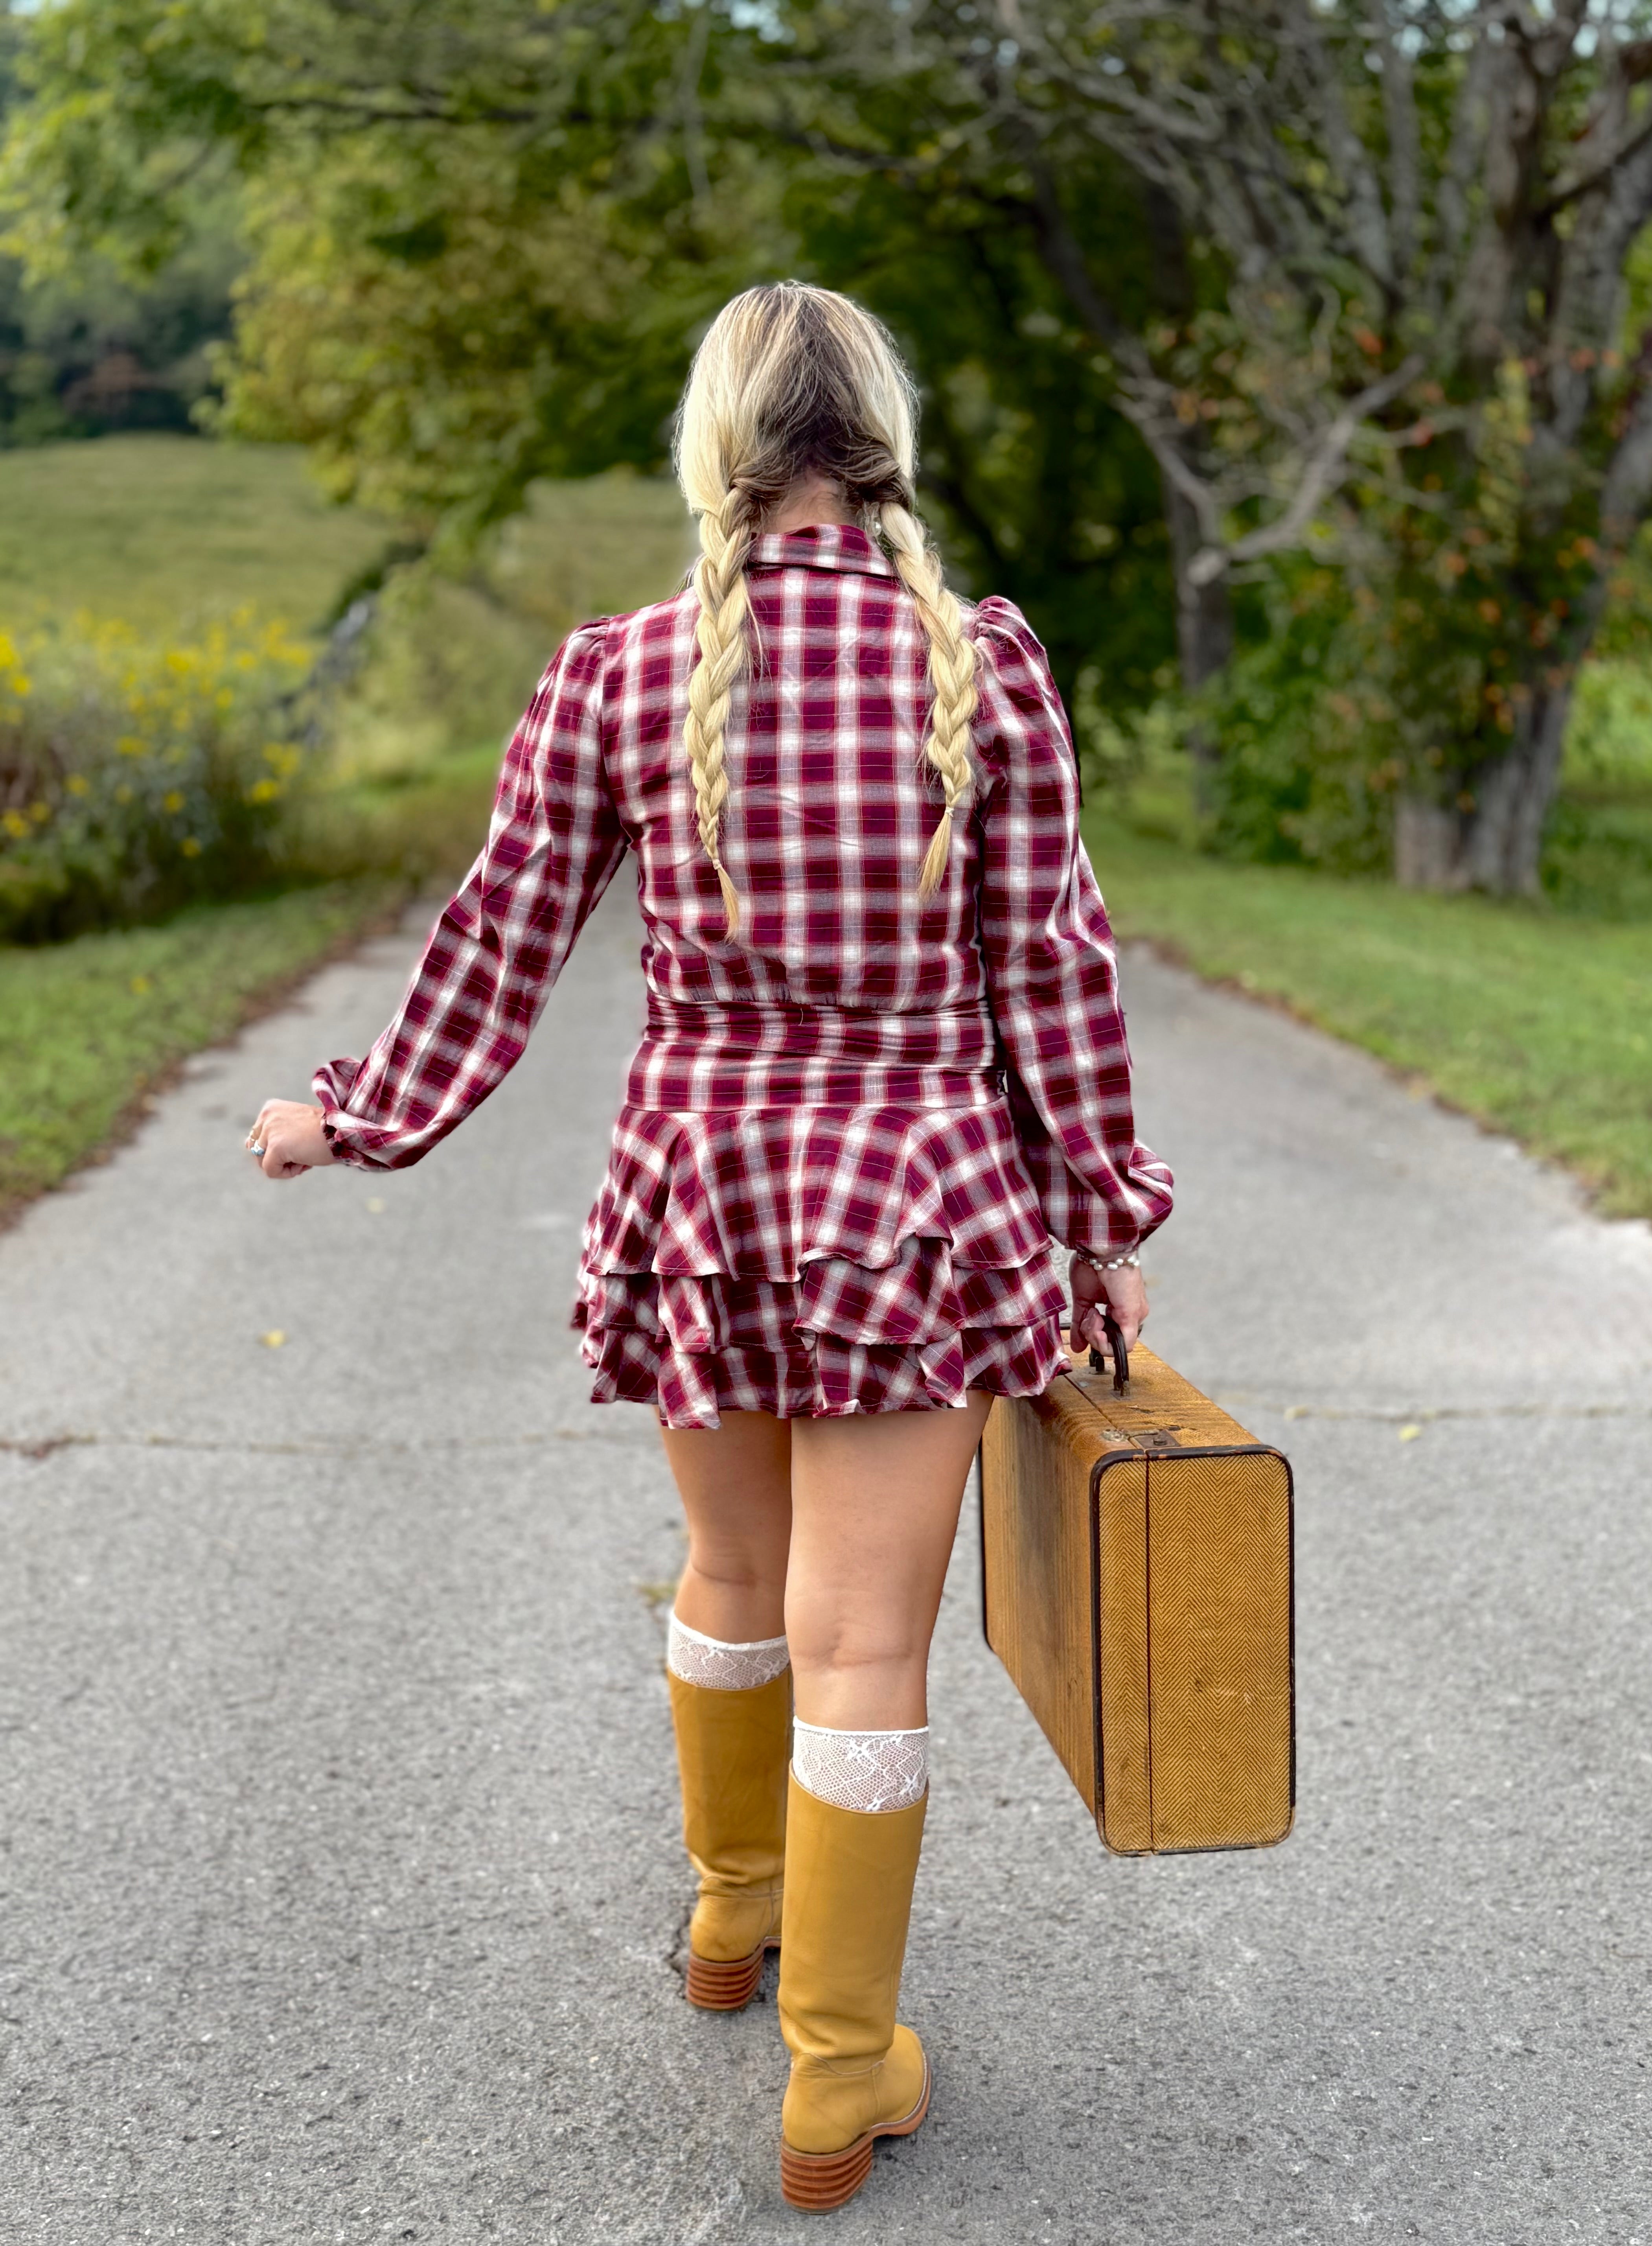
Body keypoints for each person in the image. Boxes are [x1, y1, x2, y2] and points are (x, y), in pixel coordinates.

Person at [245, 281, 1172, 2213]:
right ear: (883, 447)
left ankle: (731, 1922)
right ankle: (836, 2081)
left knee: (732, 1578)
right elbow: (1057, 971)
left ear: (718, 450)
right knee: (863, 1641)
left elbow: (494, 946)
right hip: (917, 1201)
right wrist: (1099, 1220)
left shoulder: (621, 671)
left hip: (703, 1184)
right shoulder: (979, 666)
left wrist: (358, 1113)